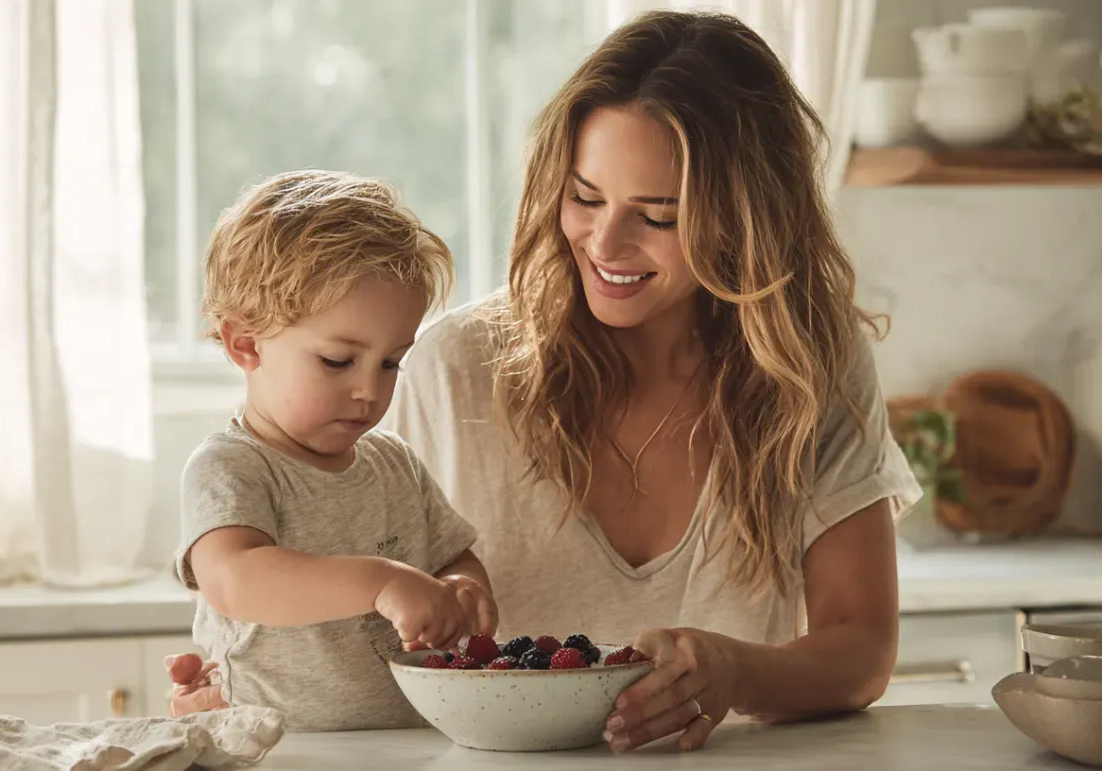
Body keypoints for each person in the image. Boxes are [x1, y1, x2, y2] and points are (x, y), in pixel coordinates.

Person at [165, 9, 921, 753]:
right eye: (586, 197)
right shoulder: (447, 367)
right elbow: (337, 584)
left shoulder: (808, 368)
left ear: (746, 218)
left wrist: (736, 671)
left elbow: (861, 653)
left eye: (659, 215)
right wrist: (241, 692)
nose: (606, 242)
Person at [175, 169, 498, 732]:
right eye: (337, 361)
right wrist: (382, 581)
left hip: (406, 745)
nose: (369, 390)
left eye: (391, 362)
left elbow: (452, 556)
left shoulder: (393, 462)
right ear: (244, 343)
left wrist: (461, 590)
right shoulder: (232, 466)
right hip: (278, 751)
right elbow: (233, 580)